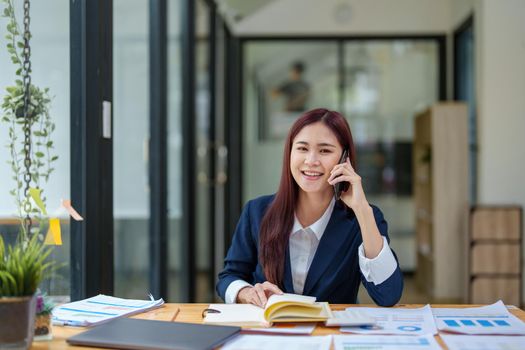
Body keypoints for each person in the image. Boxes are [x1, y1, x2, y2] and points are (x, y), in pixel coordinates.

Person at [216, 108, 403, 307]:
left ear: (344, 158)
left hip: (331, 334)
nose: (311, 161)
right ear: (290, 153)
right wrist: (246, 293)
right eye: (302, 148)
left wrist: (362, 210)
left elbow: (388, 295)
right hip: (271, 333)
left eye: (325, 150)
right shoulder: (257, 211)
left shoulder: (363, 217)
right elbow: (229, 277)